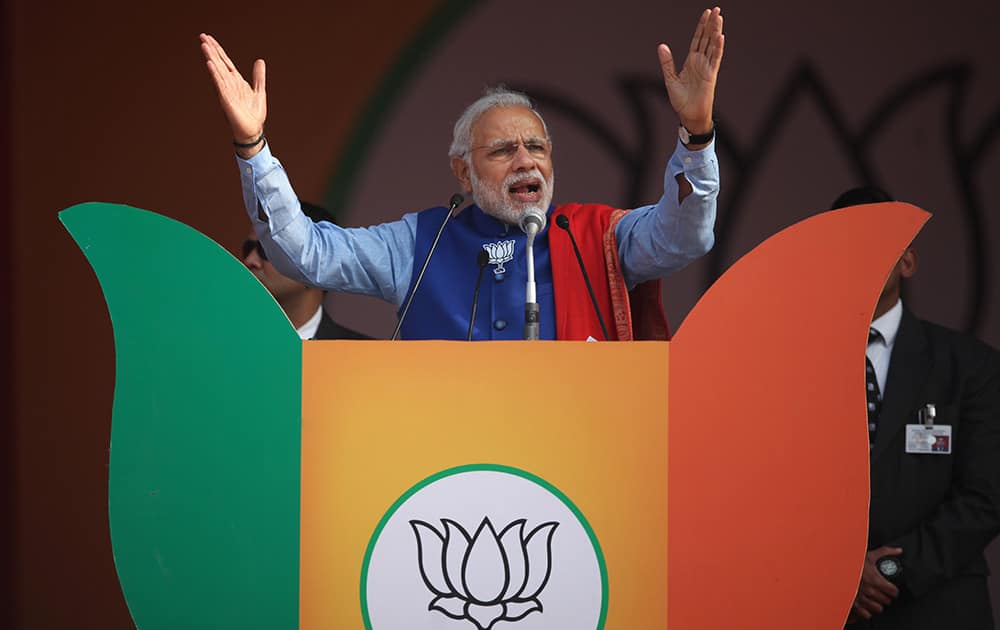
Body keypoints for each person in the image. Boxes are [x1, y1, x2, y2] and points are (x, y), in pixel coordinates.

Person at [199, 7, 725, 340]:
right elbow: (305, 253)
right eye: (503, 150)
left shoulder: (597, 236)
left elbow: (685, 237)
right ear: (463, 171)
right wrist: (253, 146)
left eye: (537, 147)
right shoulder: (418, 244)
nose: (527, 160)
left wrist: (696, 134)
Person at [833, 187, 1000, 629]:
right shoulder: (789, 370)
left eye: (876, 238)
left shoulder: (969, 366)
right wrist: (837, 571)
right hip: (823, 609)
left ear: (908, 261)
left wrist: (888, 572)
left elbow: (986, 498)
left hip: (939, 608)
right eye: (845, 242)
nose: (859, 252)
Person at [242, 201, 371, 340]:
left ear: (318, 266)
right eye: (248, 248)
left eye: (269, 250)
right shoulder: (220, 335)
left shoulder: (364, 356)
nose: (250, 260)